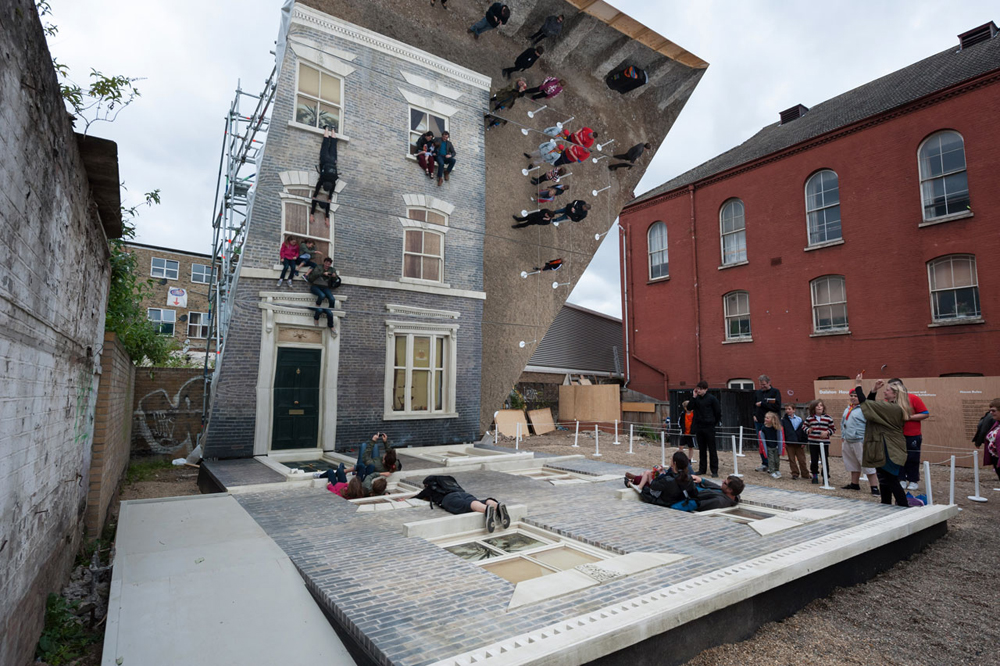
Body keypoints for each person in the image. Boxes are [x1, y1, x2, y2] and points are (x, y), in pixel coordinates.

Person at [854, 375, 908, 507]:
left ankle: (903, 506)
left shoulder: (892, 408)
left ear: (895, 394)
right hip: (886, 446)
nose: (885, 391)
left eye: (888, 390)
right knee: (884, 479)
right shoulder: (893, 407)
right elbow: (871, 408)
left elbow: (865, 404)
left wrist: (858, 384)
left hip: (889, 448)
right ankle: (886, 504)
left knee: (891, 479)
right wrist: (874, 390)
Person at [414, 475, 511, 533]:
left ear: (427, 484)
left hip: (449, 498)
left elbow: (417, 497)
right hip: (464, 493)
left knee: (466, 505)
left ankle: (487, 510)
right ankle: (495, 505)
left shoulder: (430, 488)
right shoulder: (449, 484)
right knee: (478, 501)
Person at [888, 379, 929, 491]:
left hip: (912, 434)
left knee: (912, 458)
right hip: (896, 434)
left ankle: (913, 480)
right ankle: (900, 479)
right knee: (898, 458)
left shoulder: (913, 398)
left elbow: (925, 413)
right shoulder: (890, 400)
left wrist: (909, 417)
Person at [629, 451, 699, 511]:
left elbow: (654, 485)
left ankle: (632, 481)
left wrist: (651, 476)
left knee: (646, 485)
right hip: (680, 501)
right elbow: (694, 493)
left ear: (674, 463)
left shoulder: (668, 479)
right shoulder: (688, 478)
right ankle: (633, 479)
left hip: (664, 502)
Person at [841, 392, 880, 495]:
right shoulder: (848, 408)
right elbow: (843, 422)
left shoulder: (864, 408)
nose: (853, 398)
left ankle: (874, 487)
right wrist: (843, 435)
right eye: (851, 396)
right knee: (852, 463)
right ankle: (854, 484)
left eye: (855, 396)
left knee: (867, 463)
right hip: (848, 439)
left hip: (860, 439)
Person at [690, 381, 722, 477]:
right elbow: (690, 407)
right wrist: (694, 397)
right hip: (699, 426)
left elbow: (718, 412)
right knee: (702, 449)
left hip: (709, 426)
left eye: (700, 389)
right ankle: (702, 469)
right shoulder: (697, 399)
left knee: (712, 449)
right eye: (698, 389)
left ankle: (714, 470)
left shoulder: (712, 399)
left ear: (706, 389)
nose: (698, 391)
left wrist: (713, 422)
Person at [310, 127, 339, 227]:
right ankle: (327, 128)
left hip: (333, 162)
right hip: (324, 160)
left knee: (334, 145)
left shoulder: (333, 181)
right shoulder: (322, 179)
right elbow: (317, 188)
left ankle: (333, 129)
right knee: (326, 143)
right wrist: (314, 195)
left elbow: (331, 191)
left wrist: (330, 197)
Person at [753, 375, 781, 471]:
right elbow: (753, 405)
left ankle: (773, 464)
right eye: (760, 384)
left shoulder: (775, 392)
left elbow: (777, 406)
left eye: (764, 384)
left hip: (771, 423)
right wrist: (754, 414)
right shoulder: (758, 393)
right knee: (761, 443)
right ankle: (765, 463)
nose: (762, 386)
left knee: (772, 443)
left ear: (769, 383)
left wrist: (763, 404)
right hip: (759, 421)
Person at [804, 400, 835, 484]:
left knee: (824, 460)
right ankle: (815, 475)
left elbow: (833, 429)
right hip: (813, 442)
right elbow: (804, 427)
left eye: (821, 405)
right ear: (813, 408)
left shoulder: (828, 418)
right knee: (814, 460)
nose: (819, 407)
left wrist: (827, 432)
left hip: (824, 443)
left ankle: (825, 476)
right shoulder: (809, 418)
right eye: (817, 406)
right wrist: (808, 430)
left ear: (823, 408)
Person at [307, 257, 340, 327]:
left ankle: (329, 311)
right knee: (322, 295)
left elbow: (336, 279)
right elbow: (313, 276)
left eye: (329, 264)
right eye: (326, 263)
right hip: (315, 286)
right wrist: (323, 273)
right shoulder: (318, 267)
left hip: (325, 287)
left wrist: (334, 276)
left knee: (332, 299)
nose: (327, 265)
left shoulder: (332, 269)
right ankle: (317, 306)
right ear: (324, 262)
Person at [973, 399, 1000, 482]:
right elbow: (983, 430)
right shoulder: (996, 423)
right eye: (990, 410)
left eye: (993, 411)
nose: (991, 413)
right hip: (996, 459)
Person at [781, 404, 808, 480]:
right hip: (789, 443)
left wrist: (804, 442)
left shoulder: (799, 420)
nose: (787, 411)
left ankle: (805, 473)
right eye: (786, 409)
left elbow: (804, 431)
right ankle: (795, 473)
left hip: (799, 443)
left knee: (802, 460)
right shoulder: (784, 420)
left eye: (789, 409)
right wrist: (784, 441)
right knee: (792, 459)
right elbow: (783, 432)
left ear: (794, 410)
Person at [757, 411, 784, 479]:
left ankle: (777, 470)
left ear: (772, 419)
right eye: (765, 417)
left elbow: (779, 437)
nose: (766, 419)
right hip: (769, 447)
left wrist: (780, 447)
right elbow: (763, 439)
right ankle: (772, 471)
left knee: (777, 460)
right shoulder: (764, 428)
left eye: (768, 418)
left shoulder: (776, 428)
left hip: (776, 447)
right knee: (771, 460)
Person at [678, 400, 696, 469]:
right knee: (681, 446)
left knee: (690, 447)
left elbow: (695, 422)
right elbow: (679, 422)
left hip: (691, 433)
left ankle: (689, 459)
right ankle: (681, 459)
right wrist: (681, 428)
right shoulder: (683, 414)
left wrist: (694, 430)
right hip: (684, 433)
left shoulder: (694, 414)